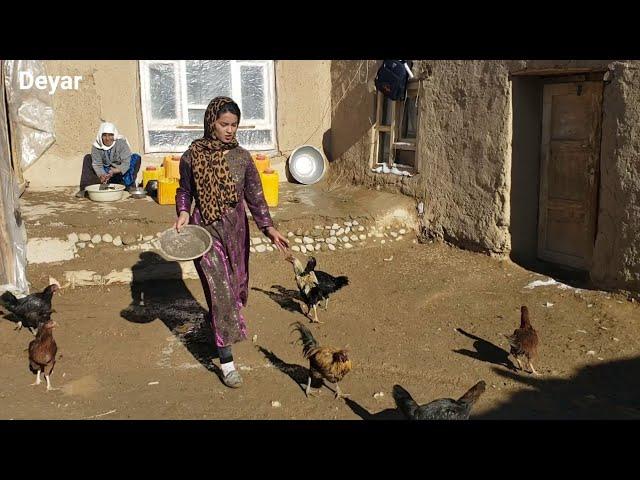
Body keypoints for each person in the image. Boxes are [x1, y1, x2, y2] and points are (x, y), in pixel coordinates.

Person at [174, 97, 289, 389]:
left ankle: (219, 330)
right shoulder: (192, 156)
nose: (229, 130)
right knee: (221, 292)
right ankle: (227, 363)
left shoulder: (241, 157)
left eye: (234, 125)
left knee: (236, 289)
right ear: (211, 122)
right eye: (224, 124)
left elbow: (255, 196)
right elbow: (184, 191)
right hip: (205, 233)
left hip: (236, 232)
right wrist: (184, 212)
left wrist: (269, 228)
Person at [76, 122, 141, 197]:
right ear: (101, 135)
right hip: (106, 170)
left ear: (114, 135)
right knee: (88, 158)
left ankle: (129, 186)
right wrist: (102, 175)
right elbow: (97, 164)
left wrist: (116, 170)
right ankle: (85, 189)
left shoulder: (121, 143)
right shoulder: (96, 146)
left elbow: (126, 163)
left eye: (110, 135)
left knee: (136, 158)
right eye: (104, 135)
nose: (107, 138)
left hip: (120, 171)